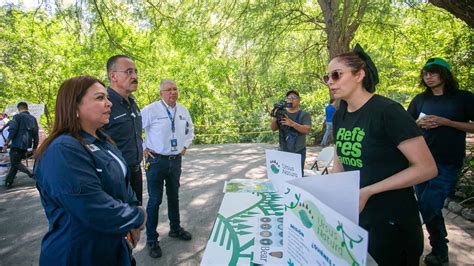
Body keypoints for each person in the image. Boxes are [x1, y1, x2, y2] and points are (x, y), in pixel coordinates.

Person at [326, 44, 437, 265]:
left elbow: (427, 168)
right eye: (327, 77)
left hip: (392, 222)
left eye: (336, 75)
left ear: (359, 75)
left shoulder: (388, 111)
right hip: (356, 219)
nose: (330, 82)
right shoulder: (340, 115)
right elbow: (339, 162)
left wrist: (368, 191)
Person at [33, 76, 146, 265]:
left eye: (107, 98)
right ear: (74, 106)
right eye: (100, 98)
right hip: (78, 255)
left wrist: (133, 209)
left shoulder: (104, 141)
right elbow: (92, 208)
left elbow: (123, 183)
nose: (109, 103)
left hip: (113, 250)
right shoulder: (63, 149)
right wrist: (138, 217)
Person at [407, 58, 474, 266]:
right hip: (421, 161)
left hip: (447, 162)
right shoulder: (420, 99)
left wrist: (447, 122)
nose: (428, 77)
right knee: (429, 207)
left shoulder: (463, 98)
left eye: (433, 73)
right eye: (425, 73)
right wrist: (417, 124)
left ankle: (436, 247)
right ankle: (439, 250)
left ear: (445, 75)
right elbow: (406, 125)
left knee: (428, 204)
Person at [142, 79, 194, 258]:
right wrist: (143, 148)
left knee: (174, 196)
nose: (173, 92)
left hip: (175, 160)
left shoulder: (183, 110)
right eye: (168, 89)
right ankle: (151, 240)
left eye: (175, 89)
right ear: (161, 93)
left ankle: (175, 228)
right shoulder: (151, 110)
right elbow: (133, 129)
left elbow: (190, 129)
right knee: (155, 200)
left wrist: (185, 145)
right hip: (156, 161)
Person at [103, 55, 144, 205]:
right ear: (113, 76)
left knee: (137, 220)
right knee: (121, 224)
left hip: (135, 173)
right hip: (115, 177)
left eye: (135, 71)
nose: (135, 76)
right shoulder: (105, 103)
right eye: (128, 72)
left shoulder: (132, 102)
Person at [270, 90, 312, 173]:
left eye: (294, 97)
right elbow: (273, 128)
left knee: (297, 175)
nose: (291, 99)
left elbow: (307, 130)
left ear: (299, 99)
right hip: (283, 149)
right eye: (289, 98)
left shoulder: (304, 114)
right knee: (283, 175)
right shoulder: (282, 113)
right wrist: (275, 116)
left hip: (298, 151)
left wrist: (292, 124)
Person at [2, 102, 38, 188]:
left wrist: (6, 144)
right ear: (27, 108)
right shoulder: (33, 118)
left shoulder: (17, 117)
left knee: (15, 162)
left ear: (19, 109)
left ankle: (32, 174)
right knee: (15, 163)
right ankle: (8, 182)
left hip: (17, 144)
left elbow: (13, 131)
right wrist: (34, 147)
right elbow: (35, 134)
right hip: (26, 145)